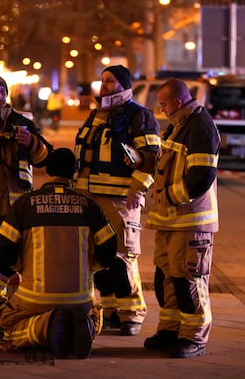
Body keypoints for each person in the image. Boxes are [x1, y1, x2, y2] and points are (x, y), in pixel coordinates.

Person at [0, 148, 117, 359]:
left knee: (5, 328)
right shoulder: (90, 206)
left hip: (34, 298)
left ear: (47, 172)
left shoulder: (24, 204)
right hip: (81, 299)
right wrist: (92, 265)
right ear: (73, 174)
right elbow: (109, 248)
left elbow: (4, 246)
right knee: (91, 316)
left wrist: (18, 264)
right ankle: (84, 327)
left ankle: (47, 327)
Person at [74, 64, 160, 336]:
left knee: (122, 255)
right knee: (97, 256)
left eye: (110, 81)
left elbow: (153, 158)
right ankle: (111, 310)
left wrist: (138, 189)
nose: (104, 86)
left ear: (124, 85)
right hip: (89, 198)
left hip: (119, 200)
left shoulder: (139, 116)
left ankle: (132, 314)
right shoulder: (96, 115)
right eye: (102, 81)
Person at [143, 78, 220, 358]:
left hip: (191, 221)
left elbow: (201, 176)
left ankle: (194, 337)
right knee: (168, 276)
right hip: (171, 220)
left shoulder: (199, 127)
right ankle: (171, 329)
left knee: (189, 279)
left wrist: (171, 197)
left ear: (177, 102)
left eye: (163, 104)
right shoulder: (180, 124)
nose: (161, 110)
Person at [0, 74, 52, 257]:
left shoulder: (21, 122)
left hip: (13, 198)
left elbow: (45, 158)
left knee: (11, 250)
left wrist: (31, 142)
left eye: (3, 92)